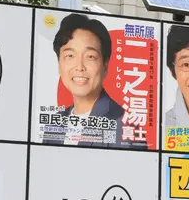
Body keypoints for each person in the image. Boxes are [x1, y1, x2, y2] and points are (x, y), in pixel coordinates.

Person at [50, 13, 143, 148]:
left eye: (90, 57)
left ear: (105, 65)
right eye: (70, 55)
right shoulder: (54, 124)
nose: (79, 67)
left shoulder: (124, 125)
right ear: (59, 64)